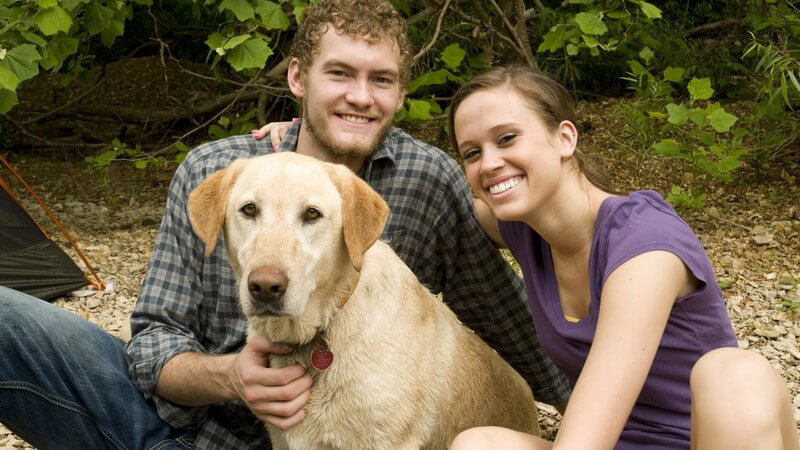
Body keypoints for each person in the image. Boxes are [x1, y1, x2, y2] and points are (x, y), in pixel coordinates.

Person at [0, 2, 570, 449]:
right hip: (189, 432)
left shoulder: (428, 179)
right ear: (298, 77)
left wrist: (624, 415)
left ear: (401, 92)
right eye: (339, 73)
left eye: (382, 80)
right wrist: (232, 377)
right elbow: (150, 346)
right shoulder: (218, 171)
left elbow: (515, 325)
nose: (359, 97)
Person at [441, 64, 800, 449]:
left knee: (736, 375)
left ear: (564, 138)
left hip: (709, 441)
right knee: (478, 445)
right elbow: (448, 197)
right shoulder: (521, 225)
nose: (489, 164)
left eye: (507, 138)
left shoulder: (644, 243)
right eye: (472, 153)